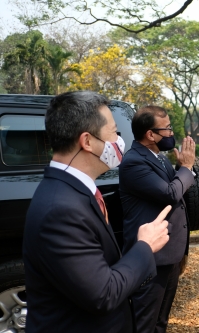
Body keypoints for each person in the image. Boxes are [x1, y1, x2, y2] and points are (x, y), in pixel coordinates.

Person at [23, 91, 171, 333]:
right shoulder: (60, 210)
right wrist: (145, 246)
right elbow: (103, 294)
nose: (119, 141)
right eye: (114, 133)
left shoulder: (75, 191)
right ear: (88, 141)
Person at [119, 105, 196, 333]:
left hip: (170, 252)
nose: (172, 133)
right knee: (146, 321)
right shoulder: (134, 162)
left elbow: (178, 189)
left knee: (161, 320)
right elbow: (170, 194)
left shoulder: (159, 158)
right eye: (167, 129)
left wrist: (182, 168)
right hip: (151, 256)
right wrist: (188, 167)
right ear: (150, 135)